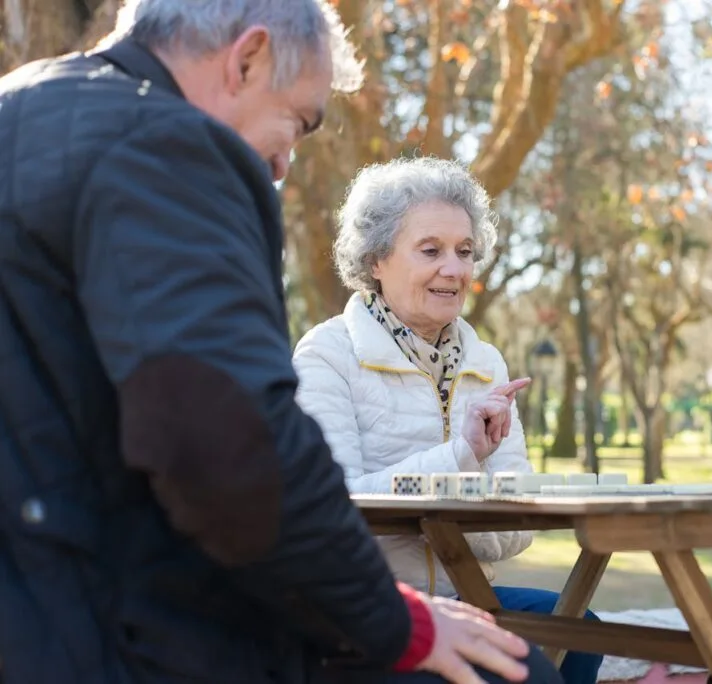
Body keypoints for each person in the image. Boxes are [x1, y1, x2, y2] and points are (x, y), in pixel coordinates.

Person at [0, 1, 561, 683]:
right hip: (101, 625)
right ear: (247, 59)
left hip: (43, 601)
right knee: (515, 665)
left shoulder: (20, 105)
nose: (283, 165)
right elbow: (229, 443)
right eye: (297, 121)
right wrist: (396, 621)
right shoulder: (169, 146)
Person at [291, 156, 604, 684]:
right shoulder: (327, 354)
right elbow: (332, 509)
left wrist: (462, 515)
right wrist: (461, 459)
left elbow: (516, 533)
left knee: (576, 632)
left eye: (464, 252)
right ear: (376, 260)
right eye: (430, 250)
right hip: (368, 611)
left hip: (466, 594)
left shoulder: (486, 363)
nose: (454, 269)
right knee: (531, 671)